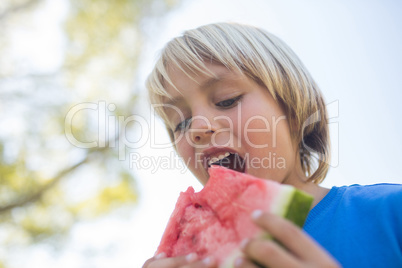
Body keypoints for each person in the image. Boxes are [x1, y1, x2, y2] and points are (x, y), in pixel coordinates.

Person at [142, 22, 402, 268]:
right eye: (180, 123)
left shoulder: (390, 212)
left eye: (226, 100)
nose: (197, 129)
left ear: (292, 107)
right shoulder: (195, 257)